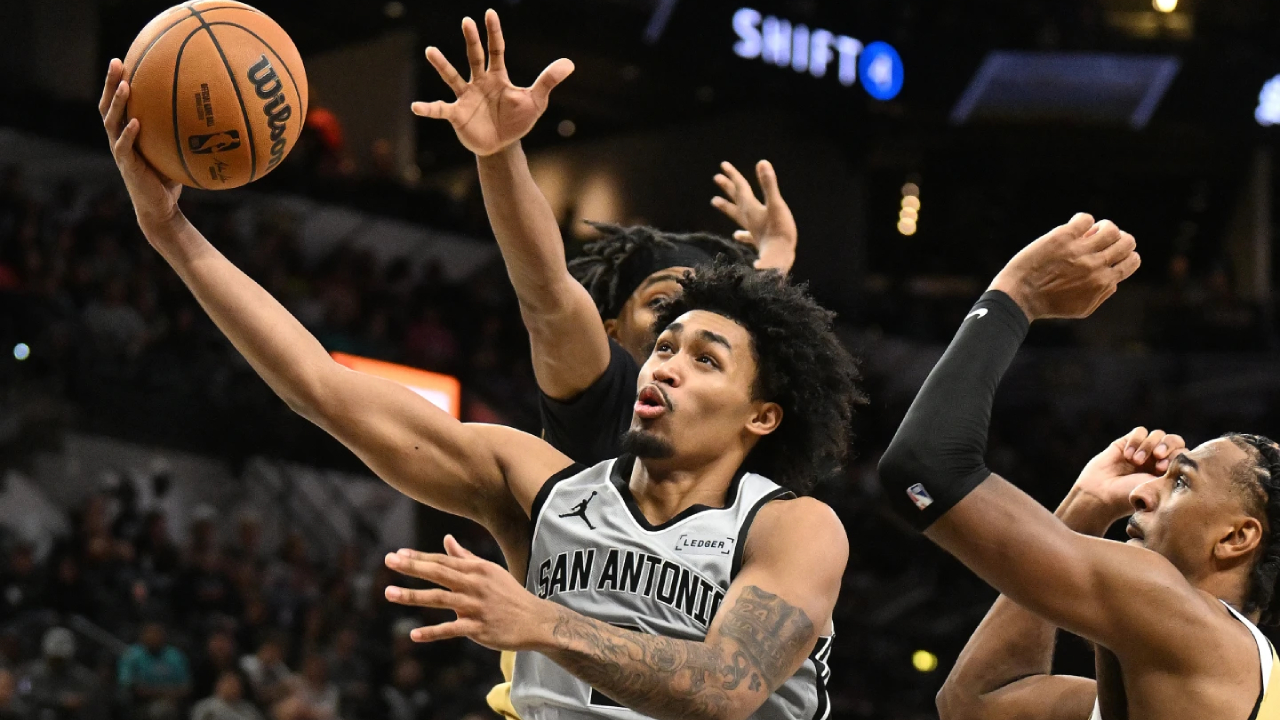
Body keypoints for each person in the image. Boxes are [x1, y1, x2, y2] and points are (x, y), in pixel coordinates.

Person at [99, 55, 861, 719]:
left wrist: (539, 621)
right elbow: (318, 386)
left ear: (763, 415)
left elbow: (726, 688)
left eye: (703, 358)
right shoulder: (546, 487)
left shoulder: (793, 528)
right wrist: (169, 231)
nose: (664, 362)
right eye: (663, 342)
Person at [878, 213, 1280, 717]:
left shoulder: (1189, 622)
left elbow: (922, 468)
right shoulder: (1189, 676)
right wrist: (1084, 505)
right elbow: (973, 704)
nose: (1142, 492)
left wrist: (1015, 296)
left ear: (1236, 537)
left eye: (1181, 482)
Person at [413, 10, 799, 465]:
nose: (684, 324)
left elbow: (747, 318)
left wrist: (778, 250)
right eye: (661, 304)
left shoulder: (730, 433)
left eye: (702, 317)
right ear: (611, 333)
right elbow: (546, 290)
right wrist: (499, 153)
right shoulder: (607, 392)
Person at [17, 627, 104, 720]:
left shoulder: (83, 678)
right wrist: (60, 701)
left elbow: (90, 702)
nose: (56, 664)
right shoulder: (29, 673)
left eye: (60, 660)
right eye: (53, 659)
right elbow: (23, 694)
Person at [117, 621, 191, 720]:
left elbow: (185, 687)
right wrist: (161, 692)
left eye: (156, 634)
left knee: (163, 710)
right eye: (149, 634)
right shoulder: (132, 655)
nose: (153, 637)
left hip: (171, 701)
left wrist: (157, 692)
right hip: (139, 703)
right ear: (142, 637)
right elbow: (128, 684)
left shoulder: (175, 656)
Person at [190, 672, 265, 720]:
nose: (233, 687)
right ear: (218, 686)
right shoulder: (204, 707)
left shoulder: (249, 708)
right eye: (229, 684)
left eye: (236, 684)